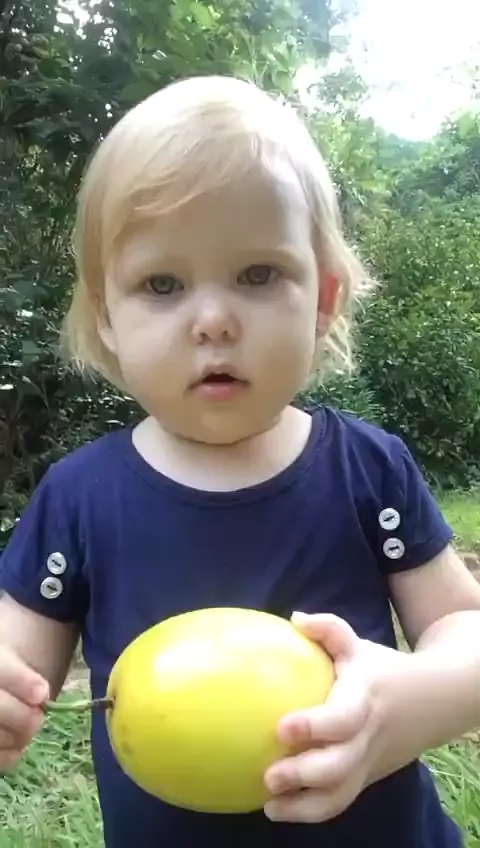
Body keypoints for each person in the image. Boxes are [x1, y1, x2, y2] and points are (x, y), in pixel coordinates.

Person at [0, 74, 479, 848]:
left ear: (322, 299)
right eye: (162, 283)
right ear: (107, 316)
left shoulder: (367, 468)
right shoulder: (78, 498)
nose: (214, 320)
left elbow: (463, 626)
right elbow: (15, 659)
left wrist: (416, 700)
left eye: (258, 275)